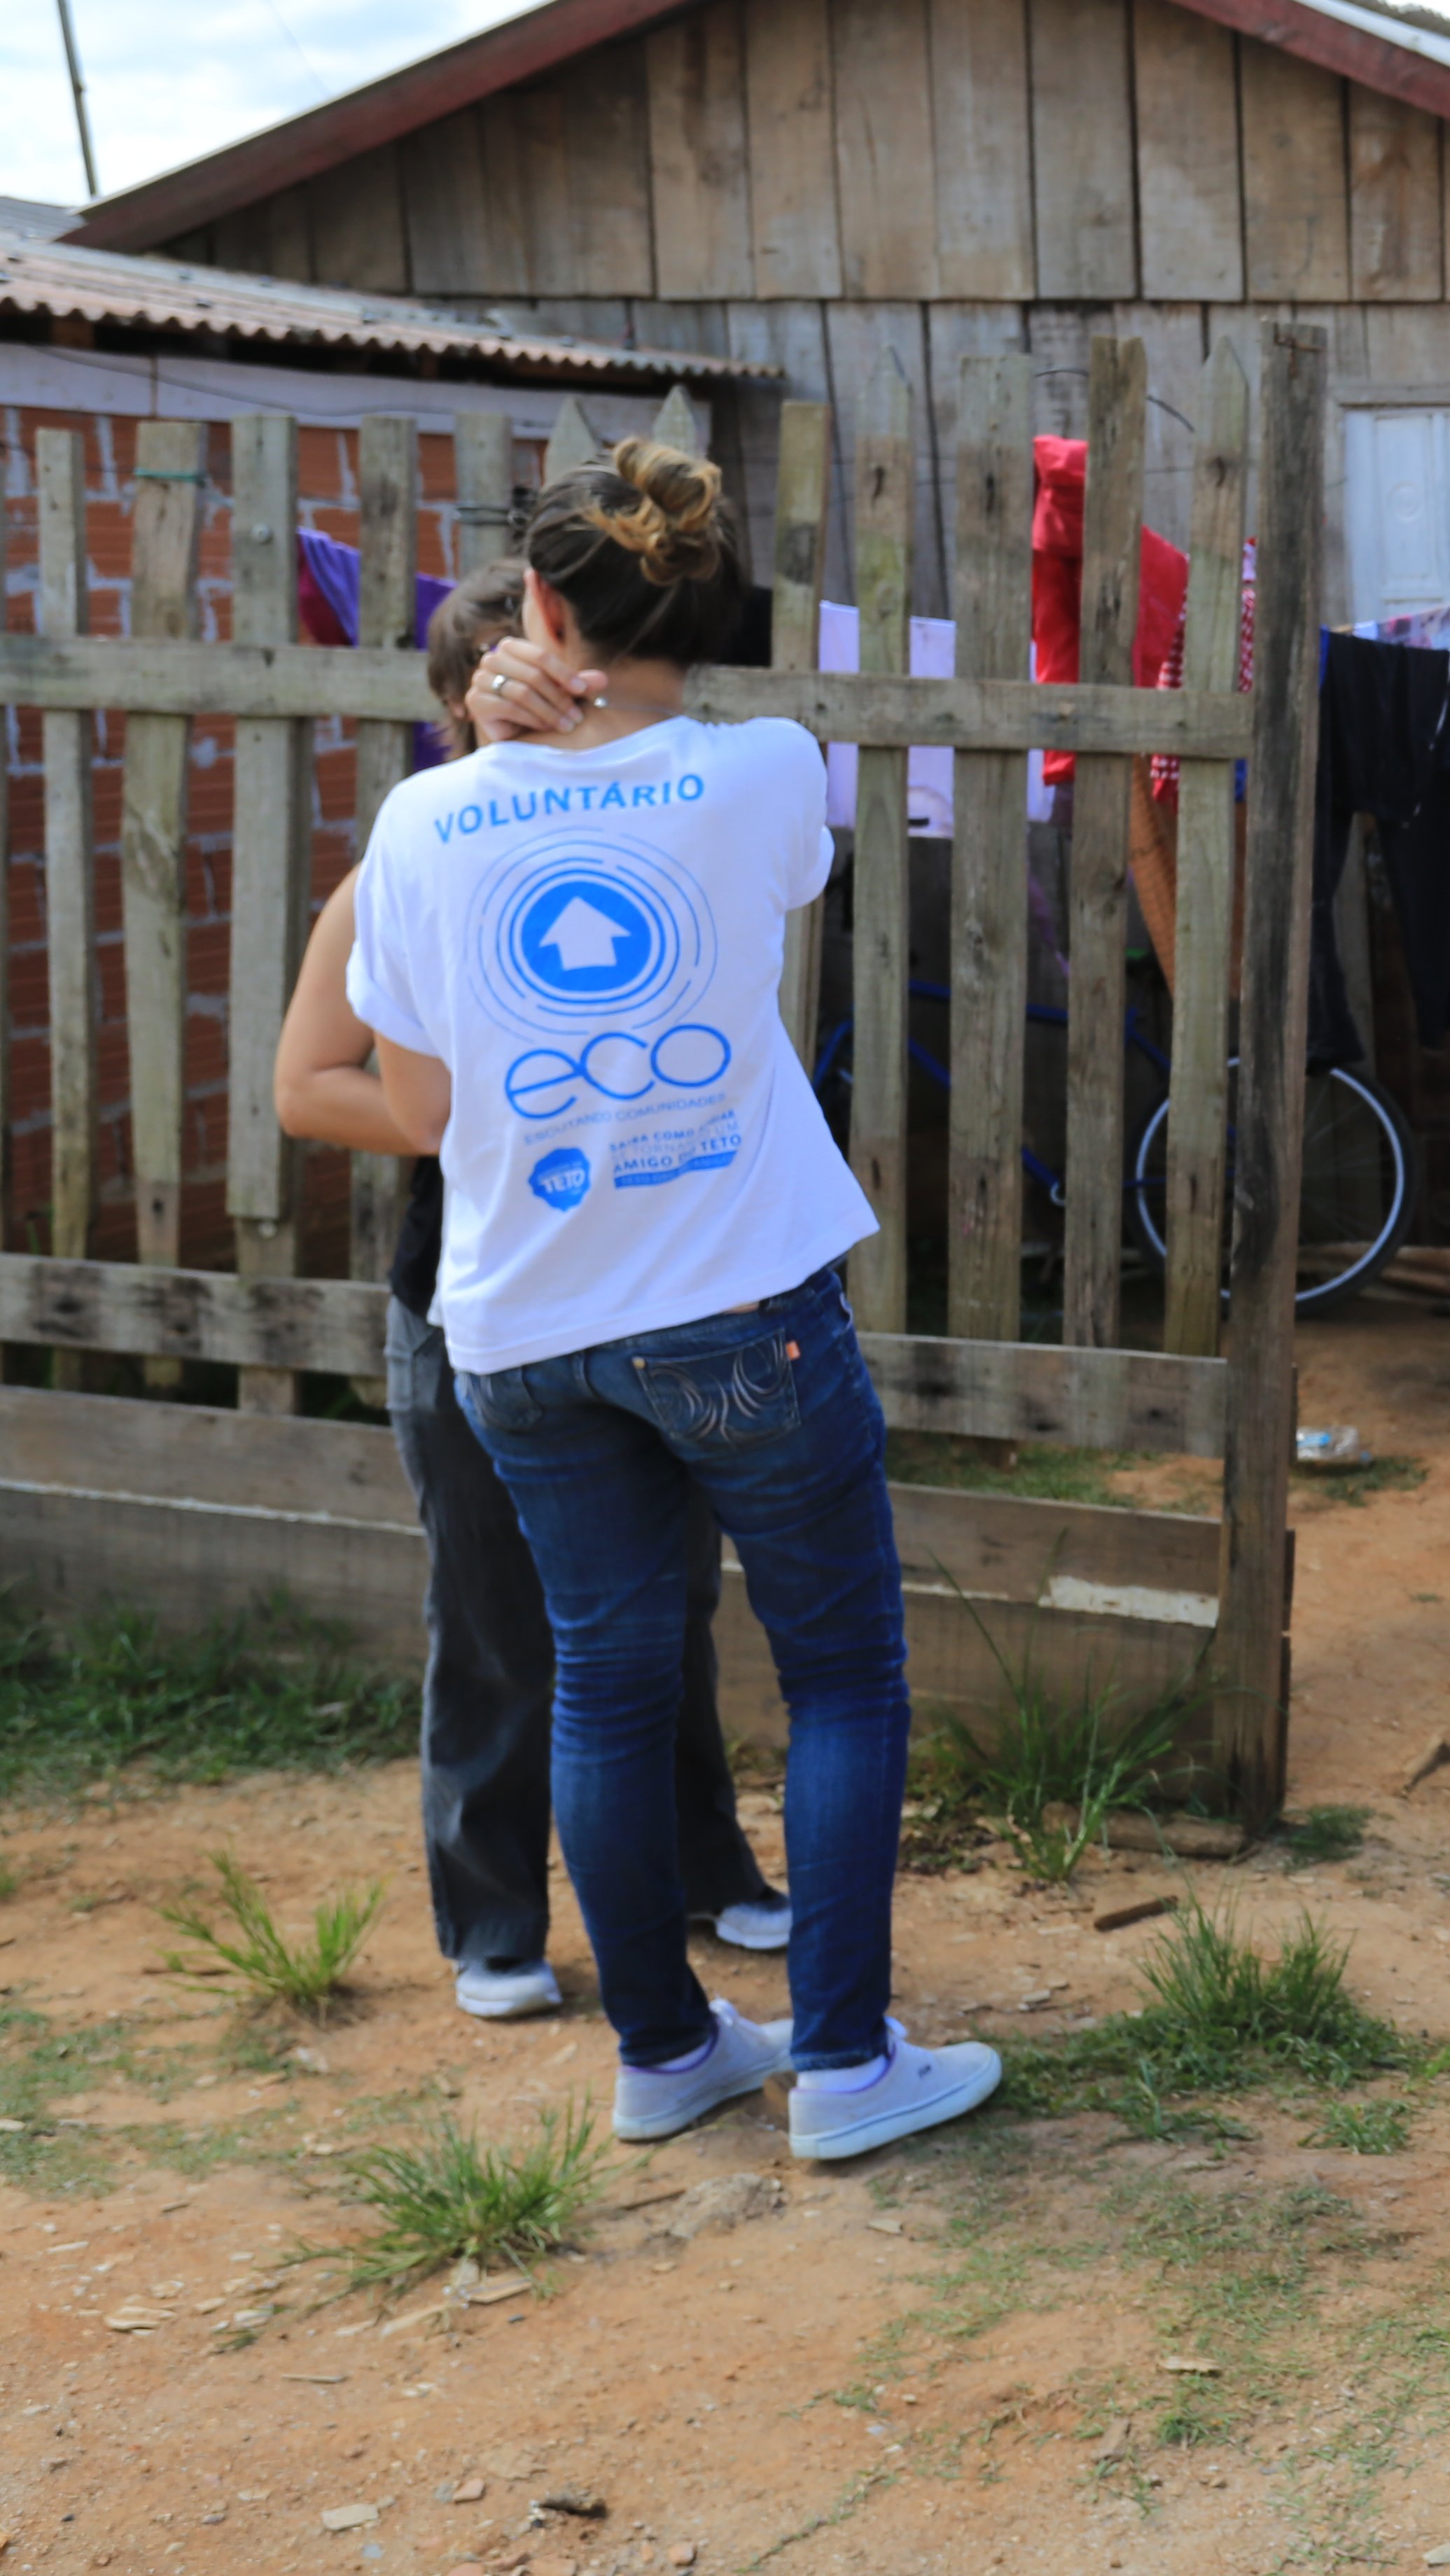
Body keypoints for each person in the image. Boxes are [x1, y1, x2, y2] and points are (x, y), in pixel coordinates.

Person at [349, 439, 996, 2163]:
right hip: (737, 1315)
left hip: (523, 1337)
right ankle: (846, 2069)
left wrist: (500, 765)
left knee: (606, 1683)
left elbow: (416, 1110)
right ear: (707, 612)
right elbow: (754, 873)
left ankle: (664, 2051)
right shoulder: (765, 768)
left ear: (536, 609)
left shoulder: (419, 821)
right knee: (842, 1675)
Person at [275, 565, 789, 2025]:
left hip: (645, 1287)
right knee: (496, 1615)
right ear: (459, 716)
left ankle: (711, 1876)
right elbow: (307, 1085)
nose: (569, 703)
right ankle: (493, 1922)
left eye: (575, 676)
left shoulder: (657, 819)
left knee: (669, 1602)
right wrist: (463, 1119)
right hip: (470, 1302)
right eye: (524, 687)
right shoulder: (403, 867)